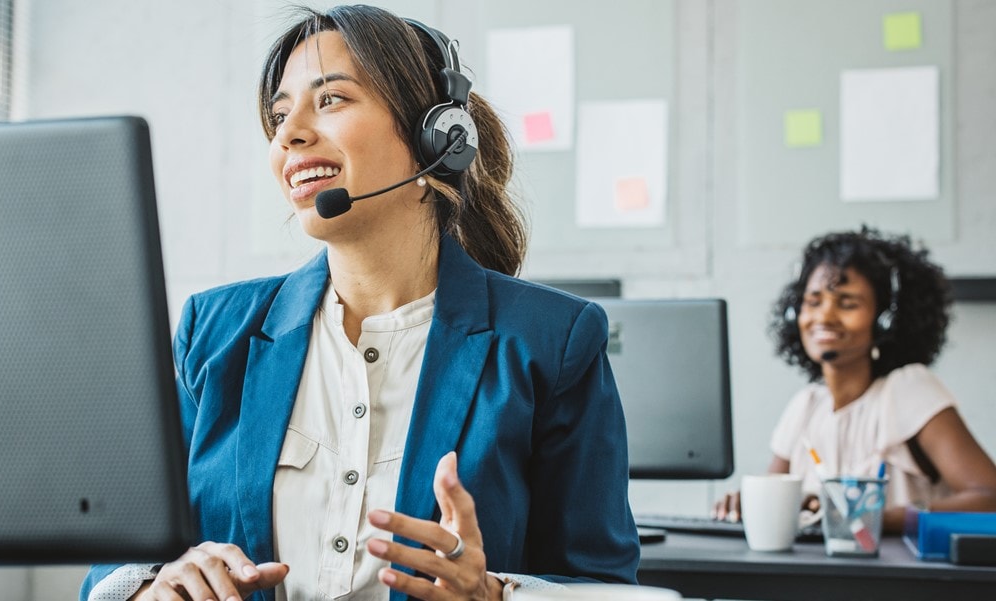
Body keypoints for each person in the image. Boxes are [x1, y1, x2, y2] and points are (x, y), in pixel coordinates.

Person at [81, 5, 639, 600]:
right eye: (278, 113)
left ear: (435, 139)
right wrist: (151, 589)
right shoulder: (214, 332)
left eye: (330, 100)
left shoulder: (552, 341)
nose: (289, 132)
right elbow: (116, 559)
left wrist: (496, 595)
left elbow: (605, 585)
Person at [715, 226, 996, 533]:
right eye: (813, 301)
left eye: (847, 303)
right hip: (818, 577)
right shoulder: (806, 405)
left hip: (899, 577)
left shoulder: (908, 390)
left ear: (885, 321)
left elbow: (989, 497)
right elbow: (779, 494)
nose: (824, 317)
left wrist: (880, 519)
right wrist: (751, 504)